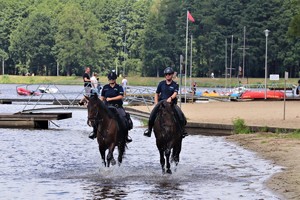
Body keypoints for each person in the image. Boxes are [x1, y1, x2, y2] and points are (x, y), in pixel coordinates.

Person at [88, 71, 132, 143]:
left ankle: (125, 135)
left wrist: (111, 99)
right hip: (107, 106)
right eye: (110, 79)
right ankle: (94, 132)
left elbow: (121, 96)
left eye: (113, 79)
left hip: (117, 106)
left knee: (123, 117)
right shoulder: (105, 87)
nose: (111, 80)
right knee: (97, 117)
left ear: (115, 79)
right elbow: (102, 97)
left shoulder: (119, 87)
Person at [144, 67, 188, 138]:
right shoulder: (161, 84)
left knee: (180, 115)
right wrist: (156, 103)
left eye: (169, 74)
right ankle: (149, 130)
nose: (168, 75)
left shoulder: (175, 84)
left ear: (172, 75)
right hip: (161, 103)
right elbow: (157, 93)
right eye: (166, 74)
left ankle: (182, 130)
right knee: (152, 114)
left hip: (171, 104)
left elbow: (175, 93)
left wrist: (170, 98)